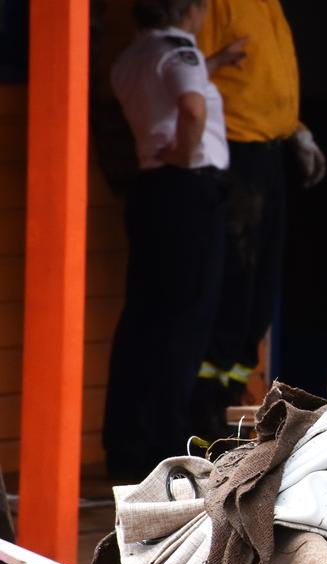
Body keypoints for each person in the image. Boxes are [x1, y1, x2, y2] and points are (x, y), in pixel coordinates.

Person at [104, 0, 230, 476]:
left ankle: (126, 444)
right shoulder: (182, 51)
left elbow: (167, 90)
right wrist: (185, 151)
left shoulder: (131, 56)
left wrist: (213, 65)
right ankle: (168, 447)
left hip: (152, 189)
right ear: (191, 11)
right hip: (188, 188)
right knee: (186, 318)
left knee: (144, 316)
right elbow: (192, 108)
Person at [191, 0, 325, 434]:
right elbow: (193, 78)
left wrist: (296, 130)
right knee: (234, 280)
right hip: (234, 154)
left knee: (262, 282)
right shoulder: (218, 6)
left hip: (270, 152)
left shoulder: (270, 6)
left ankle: (233, 397)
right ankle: (206, 407)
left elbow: (268, 81)